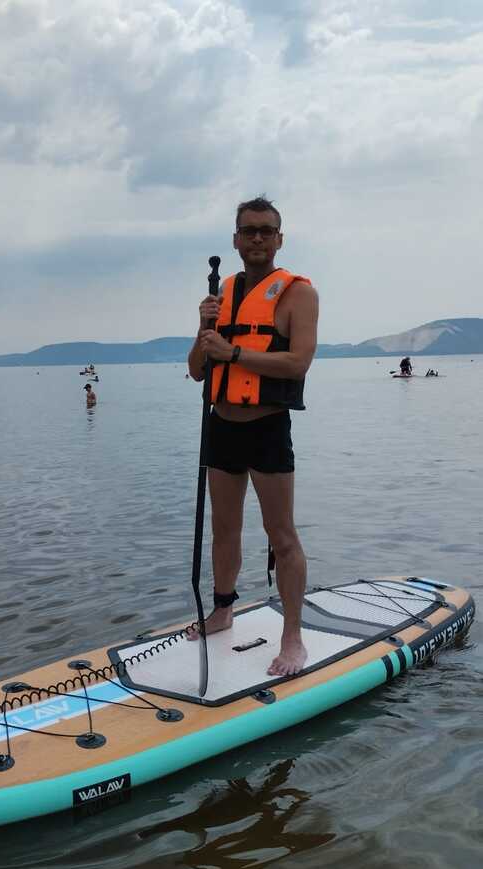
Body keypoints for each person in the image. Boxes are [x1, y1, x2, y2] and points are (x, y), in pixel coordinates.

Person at [187, 196, 319, 676]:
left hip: (266, 426)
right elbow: (198, 369)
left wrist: (233, 351)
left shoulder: (298, 294)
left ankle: (293, 638)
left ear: (279, 239)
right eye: (249, 231)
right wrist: (204, 328)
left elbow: (298, 362)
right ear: (236, 240)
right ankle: (223, 610)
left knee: (281, 534)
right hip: (221, 425)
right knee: (224, 529)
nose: (258, 238)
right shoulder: (220, 294)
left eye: (267, 230)